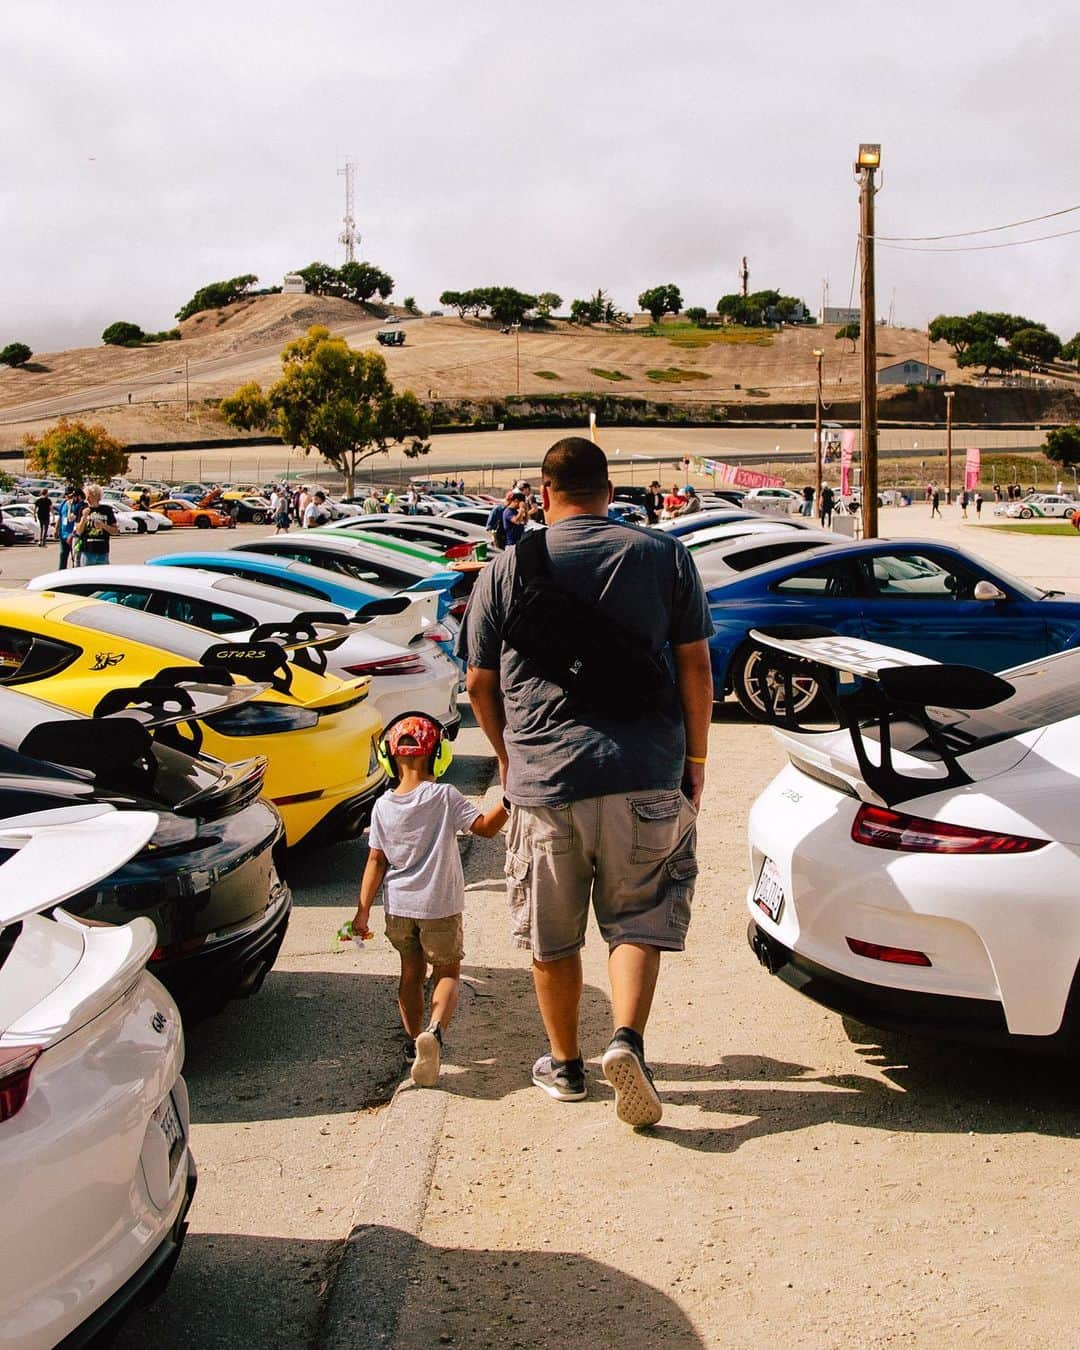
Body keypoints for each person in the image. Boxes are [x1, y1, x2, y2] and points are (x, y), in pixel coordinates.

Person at [462, 437, 713, 1129]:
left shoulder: (508, 567)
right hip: (646, 772)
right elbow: (695, 666)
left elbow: (479, 682)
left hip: (546, 780)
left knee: (552, 932)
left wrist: (508, 759)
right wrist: (695, 763)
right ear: (610, 491)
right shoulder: (664, 556)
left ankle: (567, 1066)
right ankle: (627, 1040)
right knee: (640, 917)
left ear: (544, 494)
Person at [349, 715, 508, 1086]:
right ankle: (434, 1034)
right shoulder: (444, 796)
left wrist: (361, 913)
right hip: (439, 906)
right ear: (439, 755)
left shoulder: (383, 805)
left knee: (410, 973)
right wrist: (510, 802)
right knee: (447, 973)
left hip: (398, 908)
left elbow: (375, 861)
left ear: (388, 758)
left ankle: (411, 1042)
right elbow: (484, 829)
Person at [74, 484, 118, 565]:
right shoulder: (82, 509)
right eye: (86, 496)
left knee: (102, 576)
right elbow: (78, 532)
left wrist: (104, 526)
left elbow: (115, 531)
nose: (87, 499)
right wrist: (84, 517)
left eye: (90, 496)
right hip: (87, 551)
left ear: (98, 497)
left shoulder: (106, 510)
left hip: (103, 552)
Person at [57, 488, 85, 569]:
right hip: (63, 534)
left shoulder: (77, 505)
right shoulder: (64, 503)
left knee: (76, 557)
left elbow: (71, 518)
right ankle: (61, 572)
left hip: (73, 534)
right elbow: (61, 516)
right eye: (66, 496)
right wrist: (57, 528)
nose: (67, 497)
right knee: (63, 555)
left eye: (69, 496)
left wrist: (70, 506)